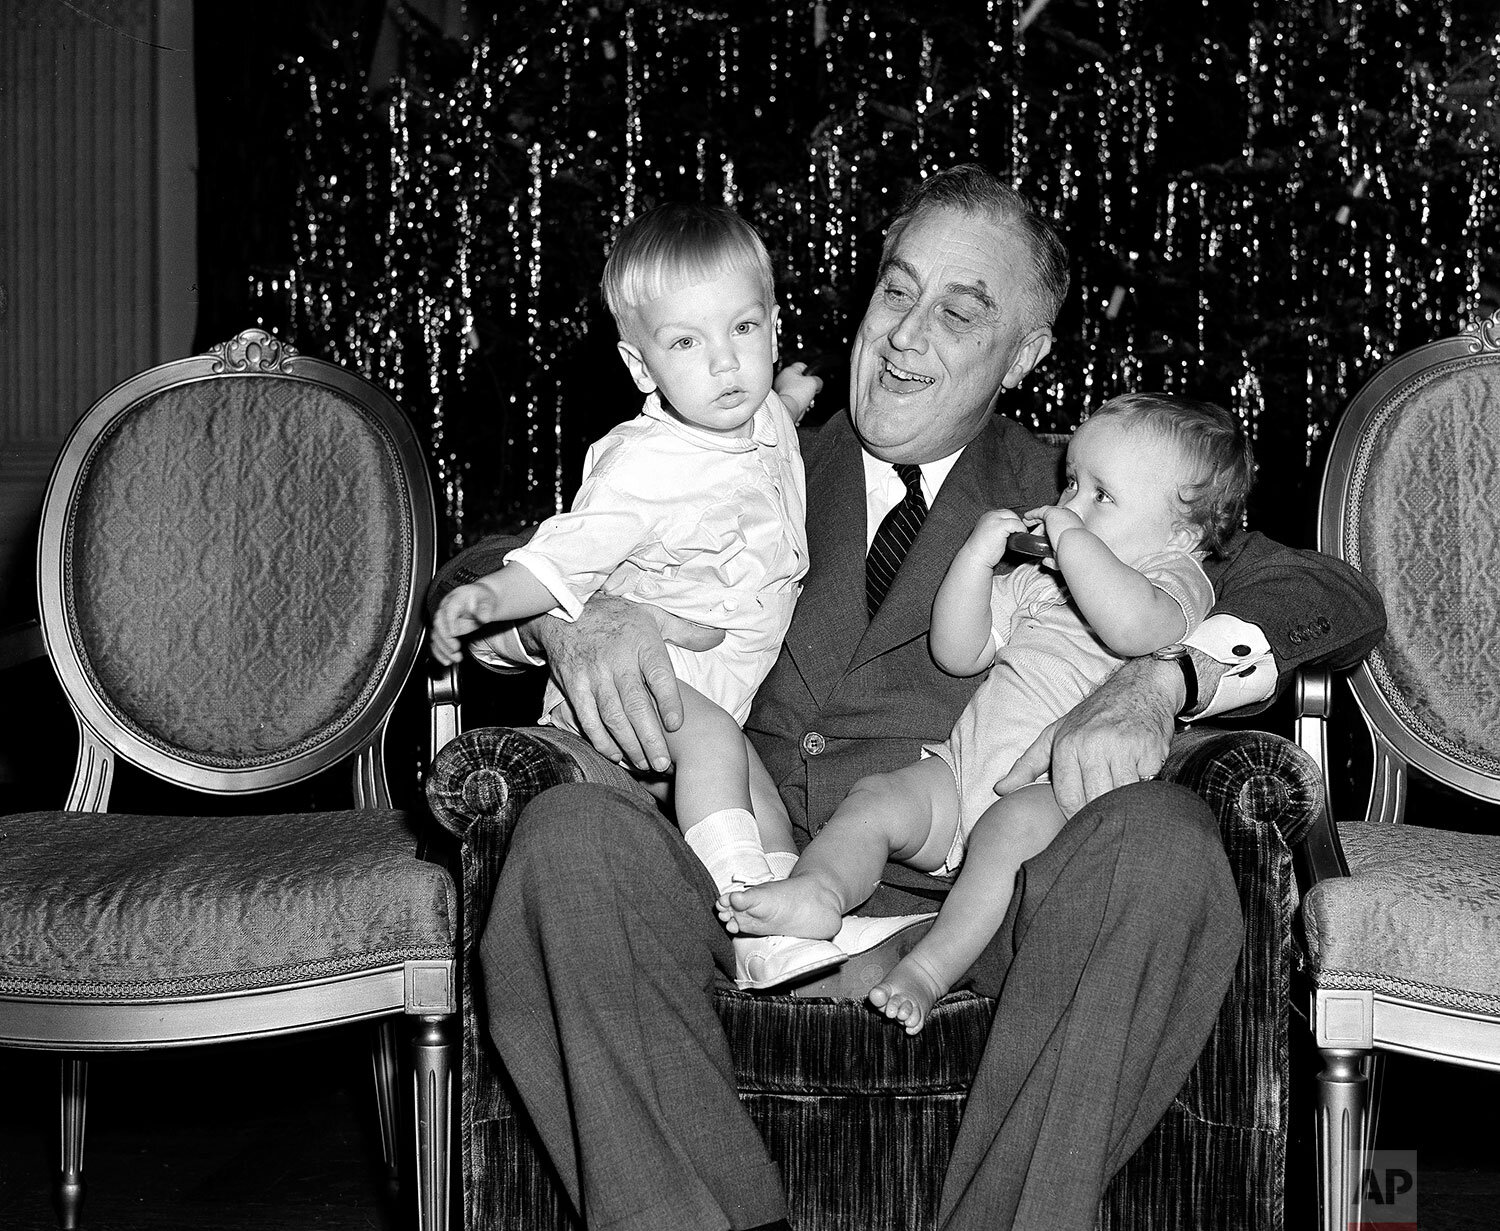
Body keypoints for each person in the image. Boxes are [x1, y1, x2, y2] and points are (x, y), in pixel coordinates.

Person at [429, 164, 1385, 1231]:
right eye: (896, 290)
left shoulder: (1083, 490)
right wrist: (574, 616)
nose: (904, 334)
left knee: (1159, 843)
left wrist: (1168, 678)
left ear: (1025, 353)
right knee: (566, 842)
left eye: (959, 311)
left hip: (978, 905)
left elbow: (1323, 594)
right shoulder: (750, 452)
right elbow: (488, 564)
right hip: (741, 893)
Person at [719, 393, 1253, 1033]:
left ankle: (929, 970)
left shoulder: (1175, 578)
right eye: (1071, 483)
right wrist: (976, 559)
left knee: (1002, 838)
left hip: (1051, 797)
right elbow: (959, 650)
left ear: (1181, 533)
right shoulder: (1042, 580)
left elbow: (1133, 626)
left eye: (1100, 496)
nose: (1069, 505)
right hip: (961, 769)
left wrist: (1074, 540)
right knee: (877, 798)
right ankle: (819, 893)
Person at [429, 201, 844, 989]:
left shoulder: (759, 417)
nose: (725, 365)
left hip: (717, 691)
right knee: (720, 750)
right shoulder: (643, 466)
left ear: (775, 326)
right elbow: (558, 561)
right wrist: (486, 602)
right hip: (634, 688)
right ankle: (745, 909)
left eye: (744, 330)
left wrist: (789, 395)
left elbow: (772, 426)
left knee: (757, 786)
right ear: (643, 368)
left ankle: (786, 915)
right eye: (688, 343)